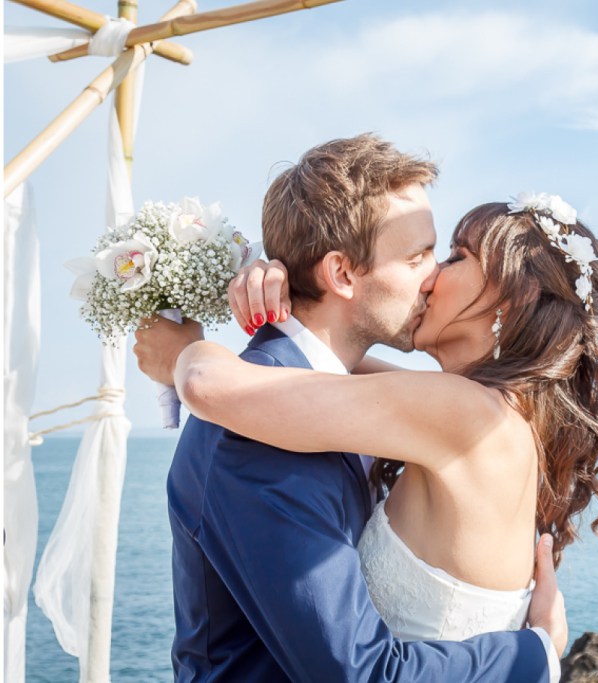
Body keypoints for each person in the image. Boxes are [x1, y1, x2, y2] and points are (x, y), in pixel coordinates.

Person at [134, 135, 566, 682]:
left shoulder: (362, 403)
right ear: (340, 274)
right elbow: (358, 672)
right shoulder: (255, 433)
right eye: (419, 256)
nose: (434, 277)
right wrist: (539, 653)